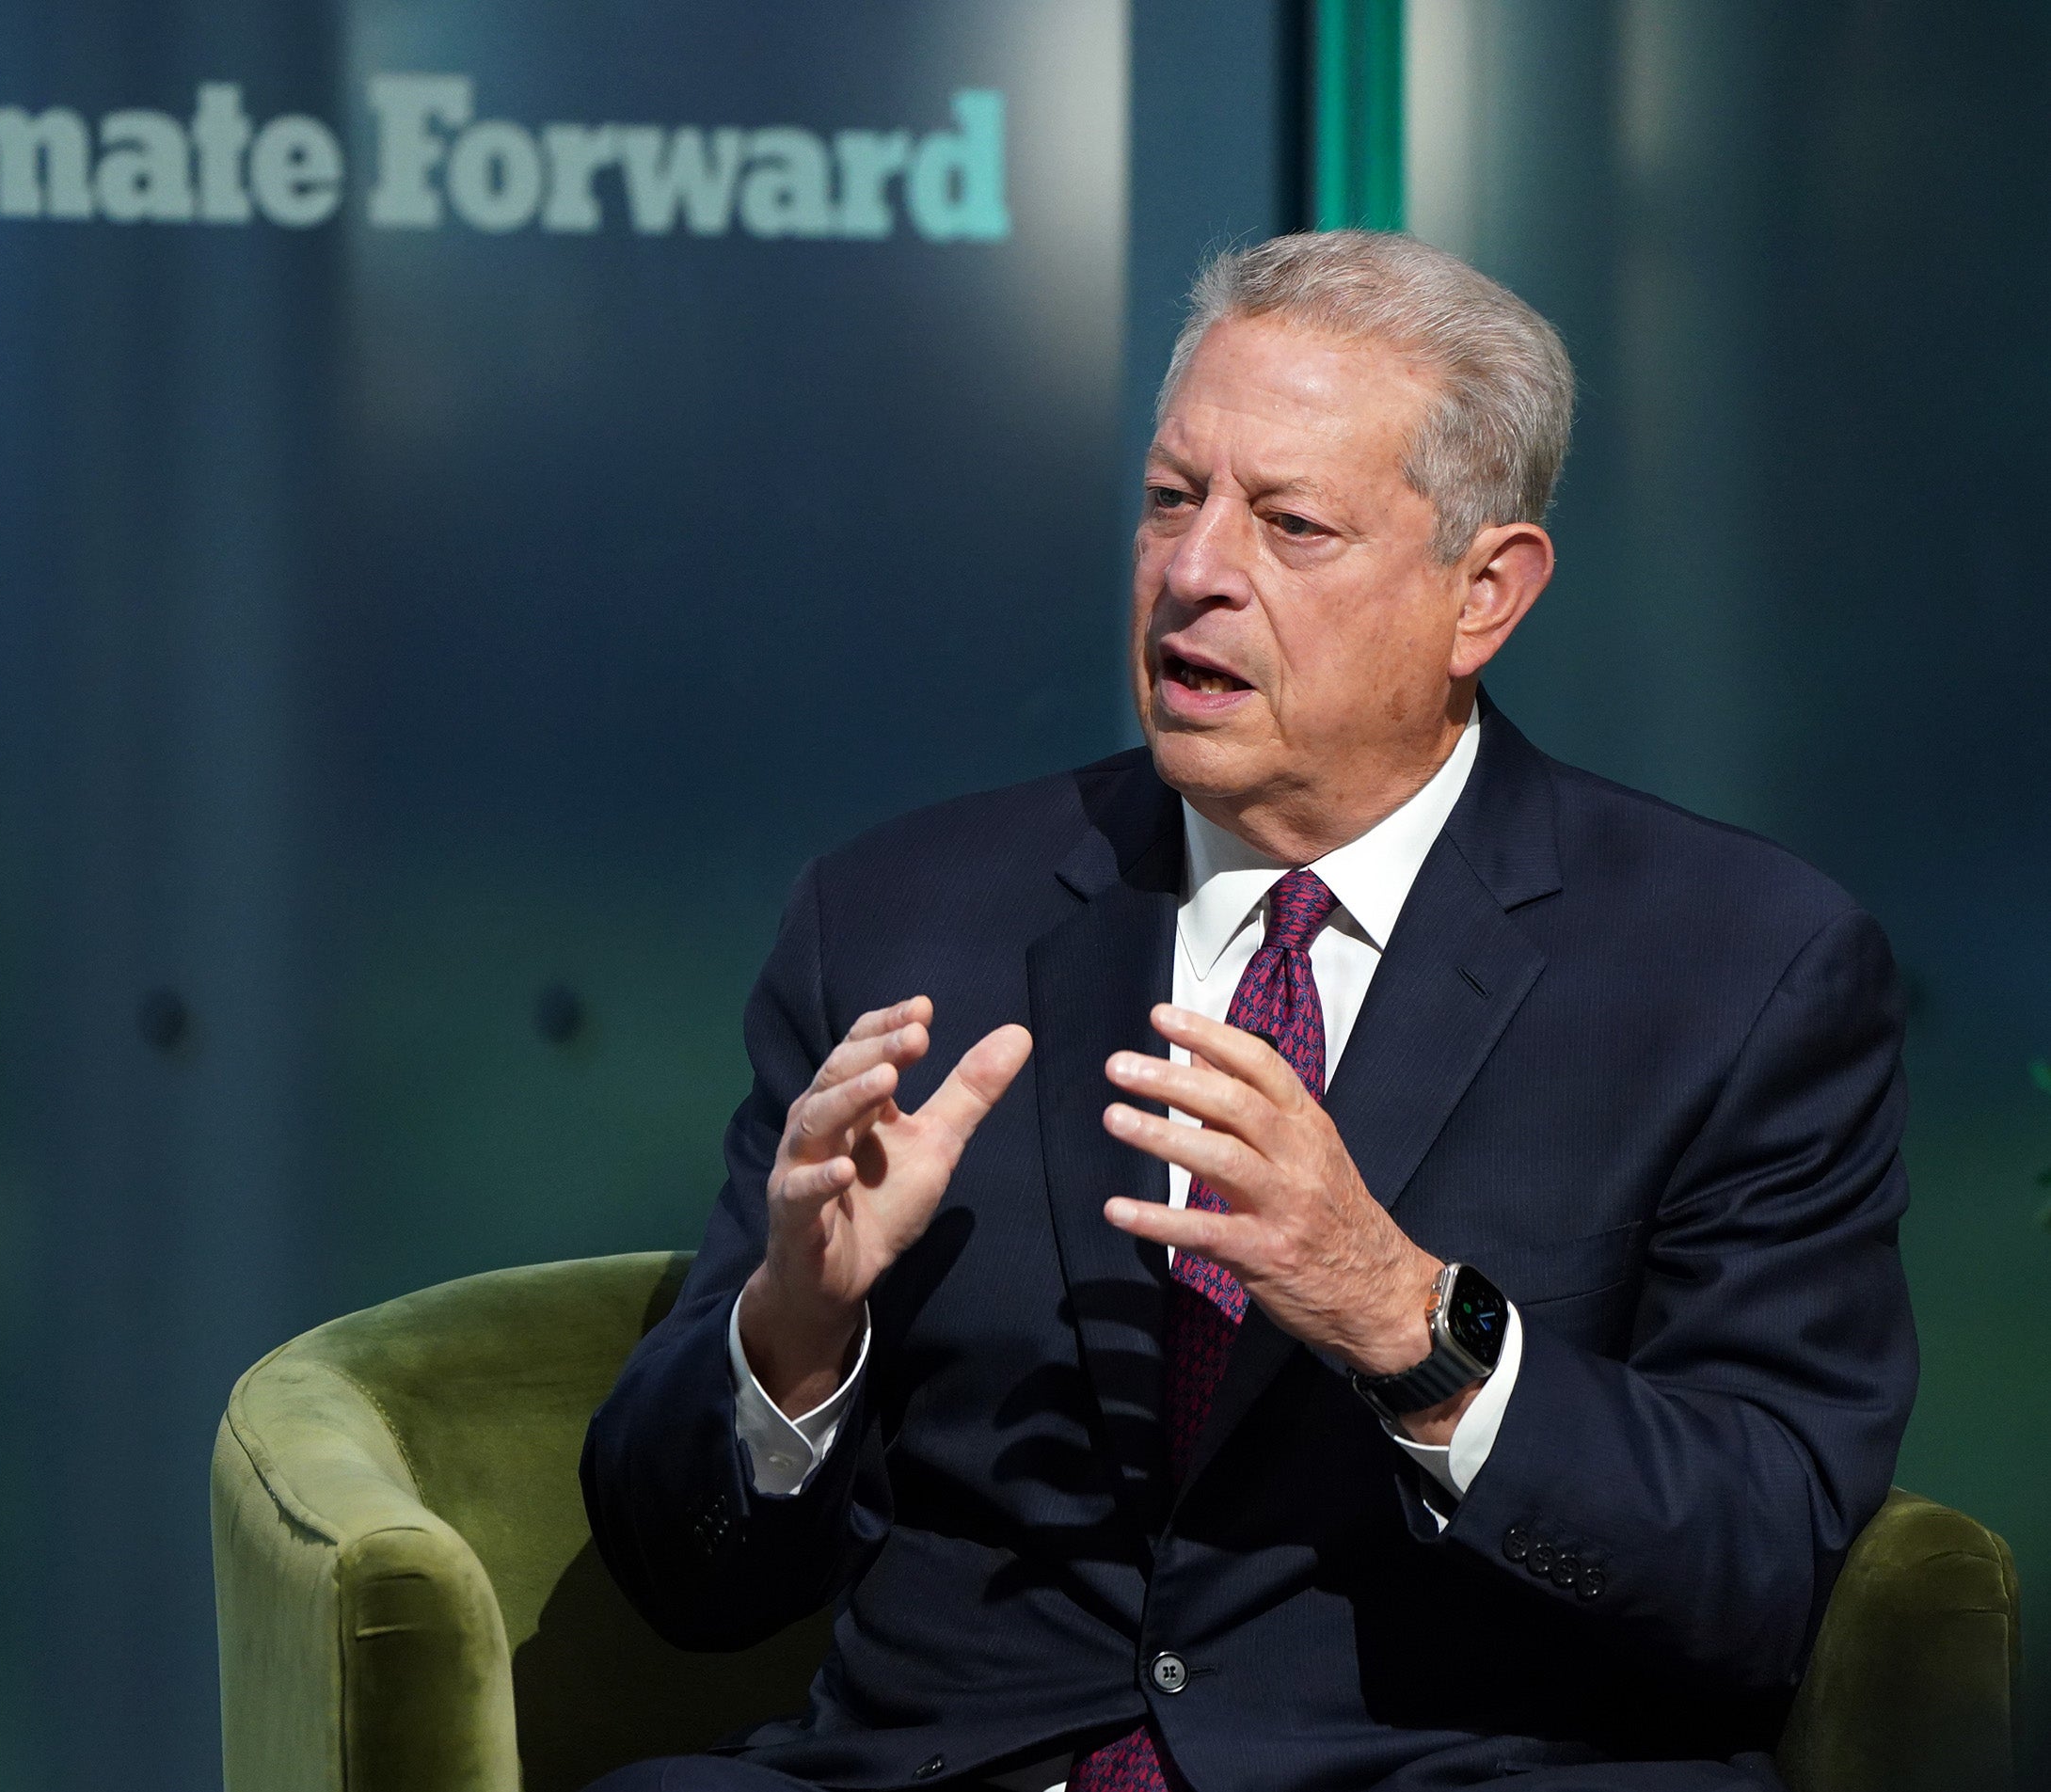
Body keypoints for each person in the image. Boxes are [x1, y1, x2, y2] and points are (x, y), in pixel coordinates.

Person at [579, 230, 1916, 1792]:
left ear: (1484, 593)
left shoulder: (1739, 967)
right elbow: (684, 1576)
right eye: (1170, 498)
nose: (1197, 570)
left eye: (1290, 523)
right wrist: (794, 1337)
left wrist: (1413, 1322)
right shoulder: (900, 919)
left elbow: (1760, 1565)